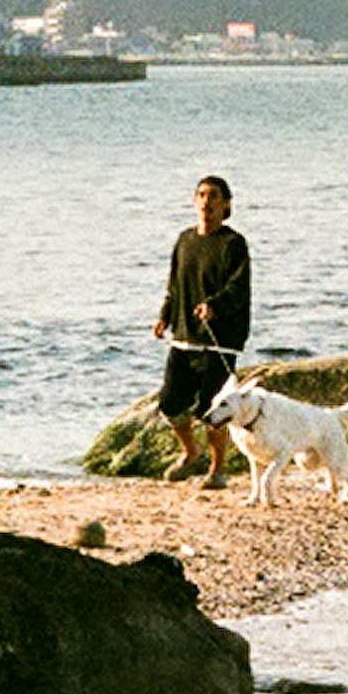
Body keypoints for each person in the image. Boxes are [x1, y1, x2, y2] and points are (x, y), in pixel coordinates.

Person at [152, 174, 251, 485]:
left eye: (214, 196)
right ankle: (192, 454)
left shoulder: (233, 244)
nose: (207, 202)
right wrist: (165, 316)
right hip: (183, 335)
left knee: (212, 408)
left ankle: (218, 470)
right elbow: (174, 284)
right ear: (195, 201)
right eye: (202, 195)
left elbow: (239, 287)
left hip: (219, 340)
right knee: (169, 403)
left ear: (226, 204)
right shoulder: (184, 240)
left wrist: (214, 306)